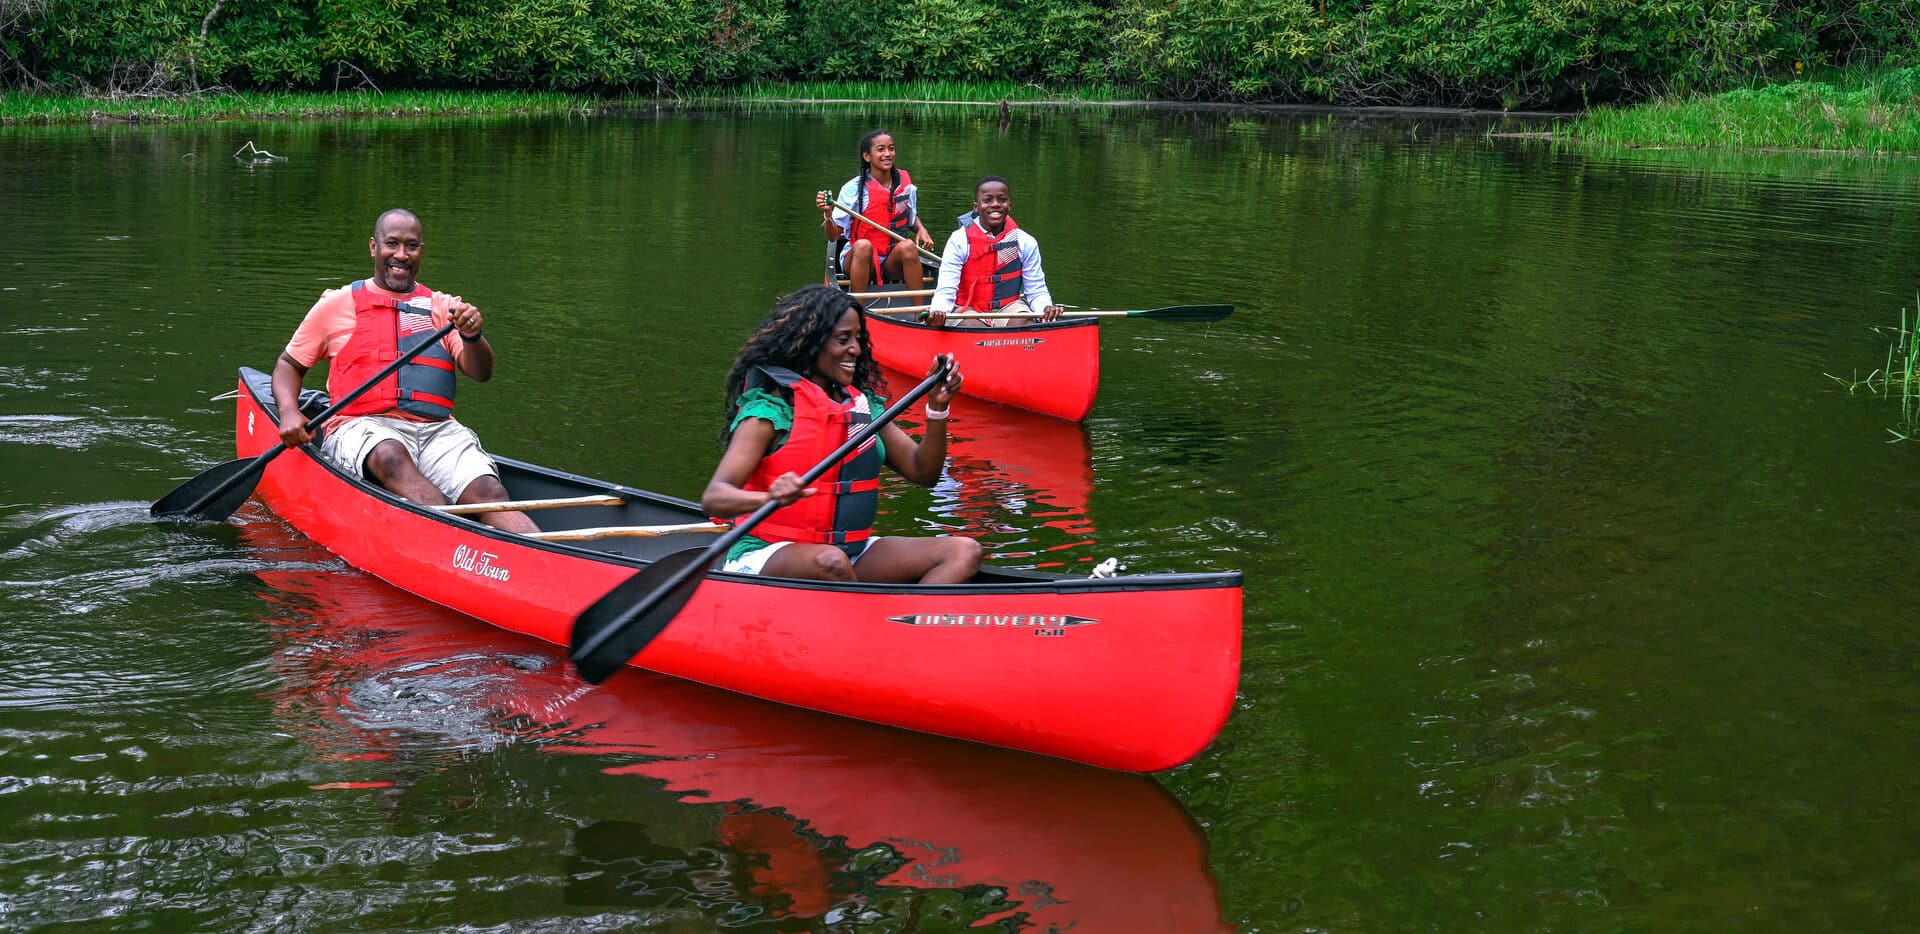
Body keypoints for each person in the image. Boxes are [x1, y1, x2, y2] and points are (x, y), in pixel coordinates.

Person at [270, 209, 537, 534]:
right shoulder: (338, 304)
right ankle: (453, 541)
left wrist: (473, 336)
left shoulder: (444, 308)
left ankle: (552, 564)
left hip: (436, 430)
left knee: (488, 493)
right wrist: (288, 413)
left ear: (420, 251)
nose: (401, 255)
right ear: (373, 247)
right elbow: (288, 365)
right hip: (360, 426)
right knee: (391, 456)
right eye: (391, 244)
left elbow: (480, 372)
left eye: (411, 246)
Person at [701, 285, 982, 584]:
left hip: (847, 554)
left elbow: (924, 472)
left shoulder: (862, 409)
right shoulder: (771, 412)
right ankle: (865, 622)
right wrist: (769, 497)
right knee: (830, 562)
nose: (856, 349)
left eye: (858, 339)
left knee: (964, 551)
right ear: (811, 342)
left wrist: (937, 409)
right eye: (842, 339)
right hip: (766, 553)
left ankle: (903, 626)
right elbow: (715, 498)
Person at [927, 176, 1063, 328]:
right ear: (976, 207)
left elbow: (1036, 290)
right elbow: (946, 288)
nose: (996, 205)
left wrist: (1044, 308)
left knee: (1025, 323)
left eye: (1002, 200)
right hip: (967, 309)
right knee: (974, 328)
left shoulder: (1025, 242)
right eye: (987, 200)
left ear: (1009, 205)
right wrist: (938, 312)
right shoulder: (959, 240)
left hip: (1009, 308)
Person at [816, 129, 934, 295]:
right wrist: (828, 214)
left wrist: (922, 230)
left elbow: (911, 217)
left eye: (891, 149)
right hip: (861, 259)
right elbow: (833, 236)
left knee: (908, 245)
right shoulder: (853, 189)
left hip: (891, 260)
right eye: (880, 149)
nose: (888, 154)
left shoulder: (905, 184)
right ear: (867, 156)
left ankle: (920, 316)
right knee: (864, 246)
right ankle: (859, 313)